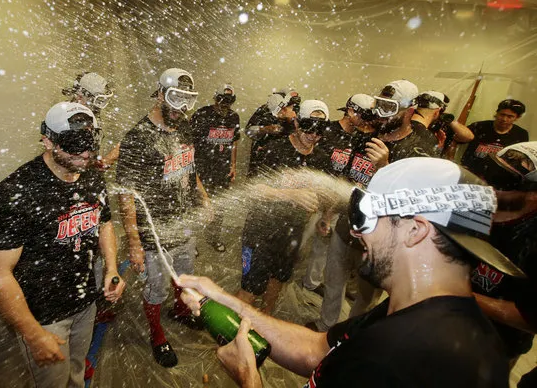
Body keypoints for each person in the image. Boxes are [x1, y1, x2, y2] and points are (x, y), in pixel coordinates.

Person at [179, 157, 523, 388]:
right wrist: (224, 299)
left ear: (415, 230)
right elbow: (317, 349)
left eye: (366, 217)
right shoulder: (415, 312)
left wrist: (248, 376)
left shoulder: (399, 358)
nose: (356, 231)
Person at [0, 102, 126, 388]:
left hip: (85, 304)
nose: (85, 154)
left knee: (76, 372)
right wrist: (34, 333)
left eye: (91, 143)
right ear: (47, 140)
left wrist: (111, 268)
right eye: (74, 145)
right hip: (44, 317)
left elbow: (104, 223)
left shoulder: (91, 175)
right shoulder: (15, 194)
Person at [308, 80, 441, 332]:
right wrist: (328, 214)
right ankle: (326, 326)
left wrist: (385, 167)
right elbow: (347, 180)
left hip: (382, 239)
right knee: (333, 281)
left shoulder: (419, 149)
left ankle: (350, 337)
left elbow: (415, 202)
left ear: (409, 110)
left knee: (366, 298)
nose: (381, 114)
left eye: (389, 107)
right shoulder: (364, 137)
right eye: (378, 105)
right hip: (346, 224)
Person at [115, 68, 212, 368]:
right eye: (174, 99)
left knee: (183, 277)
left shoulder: (184, 126)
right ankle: (157, 334)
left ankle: (180, 311)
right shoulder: (138, 138)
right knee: (155, 287)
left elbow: (189, 169)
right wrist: (134, 242)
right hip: (154, 232)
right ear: (159, 94)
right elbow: (125, 194)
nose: (180, 108)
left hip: (184, 223)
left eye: (186, 100)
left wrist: (204, 197)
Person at [237, 100, 329, 314]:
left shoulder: (320, 159)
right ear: (297, 123)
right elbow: (254, 189)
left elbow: (325, 191)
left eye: (320, 130)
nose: (313, 136)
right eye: (309, 128)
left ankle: (266, 320)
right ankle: (231, 335)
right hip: (261, 230)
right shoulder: (274, 150)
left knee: (277, 280)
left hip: (292, 233)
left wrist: (326, 215)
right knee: (250, 289)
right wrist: (289, 195)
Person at [301, 94, 377, 297]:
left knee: (323, 244)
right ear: (350, 111)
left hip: (337, 201)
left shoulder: (359, 139)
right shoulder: (326, 130)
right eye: (363, 115)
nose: (366, 120)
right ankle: (282, 274)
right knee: (300, 239)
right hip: (315, 197)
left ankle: (311, 281)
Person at [471, 142, 537, 369]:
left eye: (503, 181)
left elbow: (531, 318)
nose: (489, 186)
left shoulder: (532, 239)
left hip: (495, 345)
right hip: (445, 321)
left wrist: (454, 293)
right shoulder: (477, 204)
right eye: (489, 172)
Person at [190, 84, 241, 252]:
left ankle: (213, 237)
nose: (225, 104)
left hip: (222, 169)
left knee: (219, 206)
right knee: (197, 205)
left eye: (229, 100)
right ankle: (192, 242)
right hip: (202, 168)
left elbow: (234, 142)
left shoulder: (234, 117)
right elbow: (189, 142)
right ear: (215, 97)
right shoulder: (202, 114)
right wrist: (191, 168)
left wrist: (233, 165)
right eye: (222, 99)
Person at [62, 72, 121, 169]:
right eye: (97, 101)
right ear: (79, 97)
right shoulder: (66, 120)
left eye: (102, 101)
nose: (98, 106)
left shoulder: (91, 116)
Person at [460, 99, 529, 179]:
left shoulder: (521, 134)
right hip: (470, 173)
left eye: (510, 116)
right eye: (502, 114)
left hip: (498, 179)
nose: (504, 119)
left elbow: (520, 161)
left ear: (517, 117)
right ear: (497, 113)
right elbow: (458, 140)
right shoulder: (479, 126)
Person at [245, 90, 300, 176]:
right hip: (260, 159)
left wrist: (292, 121)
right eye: (280, 110)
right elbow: (248, 131)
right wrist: (265, 129)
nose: (282, 112)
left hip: (283, 162)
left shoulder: (297, 115)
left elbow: (303, 139)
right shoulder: (264, 110)